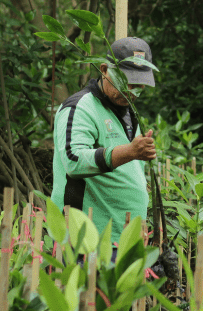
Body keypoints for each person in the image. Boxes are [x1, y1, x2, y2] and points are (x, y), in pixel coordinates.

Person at [51, 37, 157, 243]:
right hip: (85, 239)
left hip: (124, 237)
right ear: (103, 70)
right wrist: (129, 152)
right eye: (125, 80)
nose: (131, 90)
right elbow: (74, 161)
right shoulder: (80, 107)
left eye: (138, 84)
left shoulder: (126, 110)